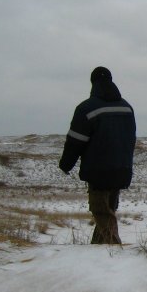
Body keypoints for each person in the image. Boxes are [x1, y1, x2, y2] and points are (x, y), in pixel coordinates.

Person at [59, 67, 136, 244]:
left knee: (101, 212)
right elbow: (130, 140)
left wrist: (66, 164)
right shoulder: (127, 108)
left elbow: (75, 142)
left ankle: (113, 251)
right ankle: (99, 250)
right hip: (122, 170)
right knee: (108, 210)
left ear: (93, 83)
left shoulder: (86, 108)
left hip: (98, 171)